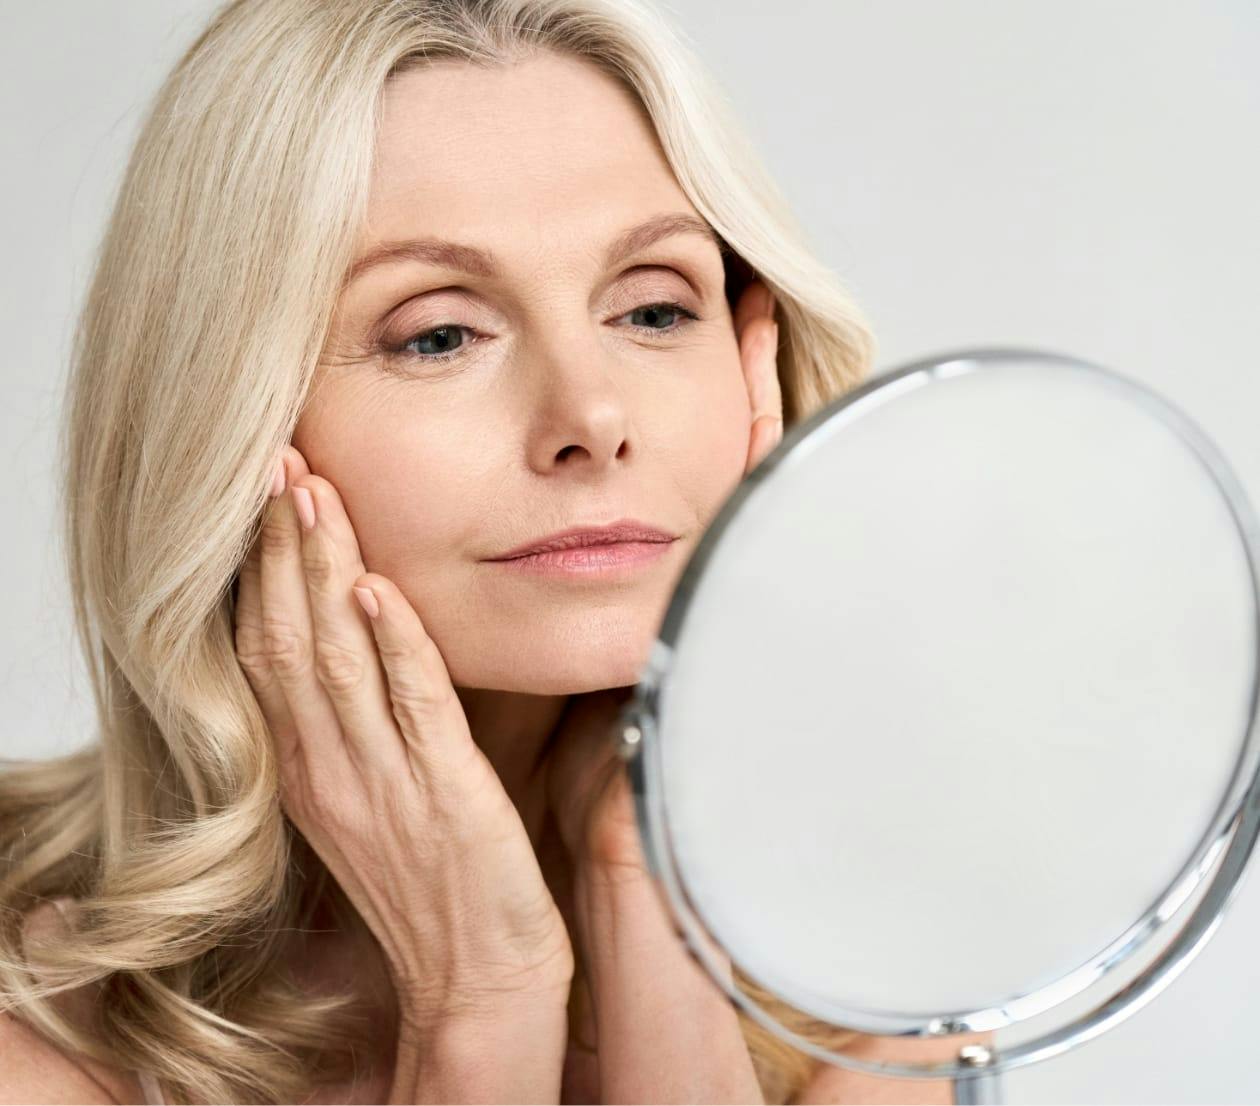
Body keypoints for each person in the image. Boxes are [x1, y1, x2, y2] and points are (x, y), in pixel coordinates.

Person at [1, 0, 977, 1101]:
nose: (592, 412)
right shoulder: (32, 1016)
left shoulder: (879, 992)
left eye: (653, 310)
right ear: (225, 421)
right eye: (439, 333)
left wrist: (643, 891)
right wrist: (481, 996)